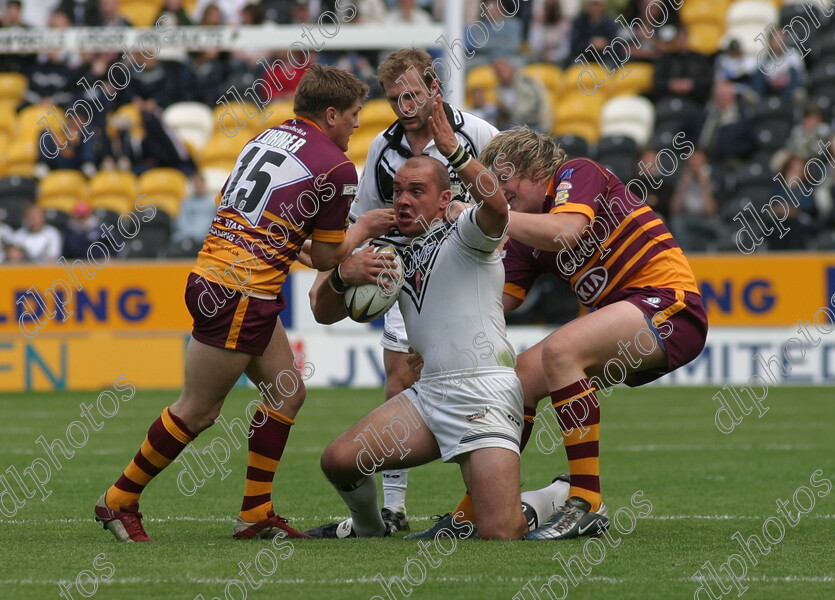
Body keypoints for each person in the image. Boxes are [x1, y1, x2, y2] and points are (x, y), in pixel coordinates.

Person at [93, 64, 394, 543]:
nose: (359, 124)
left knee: (287, 392)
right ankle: (119, 500)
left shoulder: (269, 138)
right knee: (197, 411)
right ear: (331, 113)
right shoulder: (336, 166)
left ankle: (255, 513)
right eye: (355, 114)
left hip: (225, 279)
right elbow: (327, 255)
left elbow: (254, 219)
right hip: (239, 291)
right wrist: (366, 229)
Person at [410, 126, 708, 540]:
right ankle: (474, 509)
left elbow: (567, 230)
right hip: (631, 319)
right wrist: (432, 334)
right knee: (516, 381)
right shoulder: (523, 237)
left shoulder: (576, 172)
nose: (494, 192)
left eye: (501, 180)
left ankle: (587, 500)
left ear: (534, 169)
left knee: (561, 350)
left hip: (671, 307)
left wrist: (499, 216)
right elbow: (492, 303)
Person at [305, 99, 529, 540]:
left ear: (445, 198)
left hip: (484, 390)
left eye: (416, 191)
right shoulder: (392, 254)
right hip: (429, 397)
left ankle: (555, 497)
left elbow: (499, 209)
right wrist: (341, 275)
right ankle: (370, 528)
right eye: (397, 192)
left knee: (501, 533)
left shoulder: (465, 232)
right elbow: (322, 311)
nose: (403, 200)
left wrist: (455, 151)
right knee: (338, 460)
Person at [348, 48, 499, 532]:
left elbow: (505, 198)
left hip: (463, 268)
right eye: (395, 98)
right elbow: (368, 217)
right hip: (403, 270)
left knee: (464, 380)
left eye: (413, 94)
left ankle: (476, 504)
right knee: (399, 380)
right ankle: (392, 508)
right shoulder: (380, 148)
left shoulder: (475, 132)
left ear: (434, 87)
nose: (405, 106)